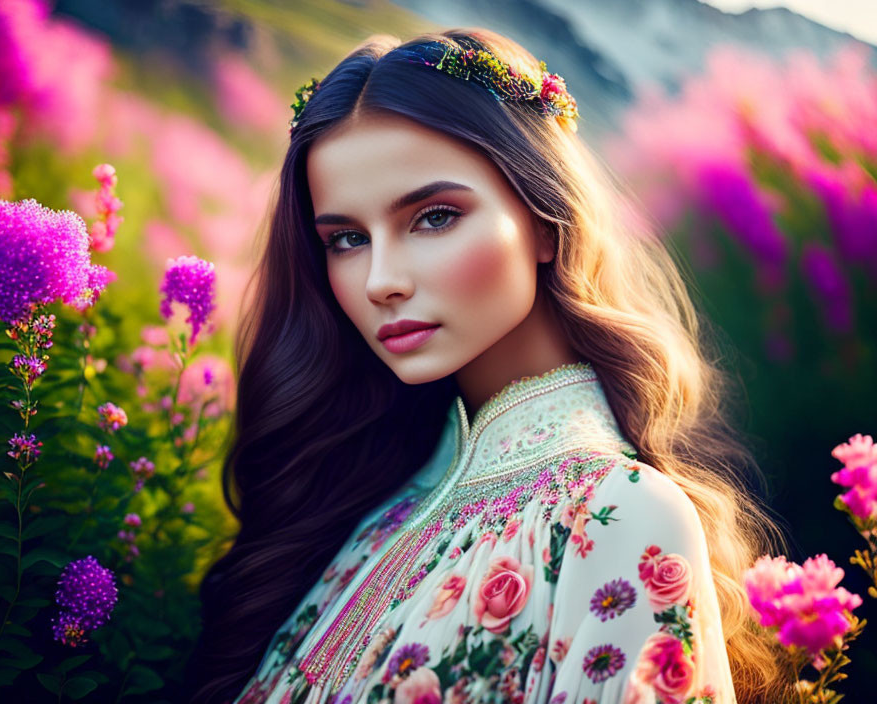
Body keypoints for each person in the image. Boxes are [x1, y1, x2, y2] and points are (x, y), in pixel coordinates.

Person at [184, 28, 797, 704]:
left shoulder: (618, 517)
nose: (380, 281)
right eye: (348, 239)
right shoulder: (371, 506)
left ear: (543, 218)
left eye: (434, 217)